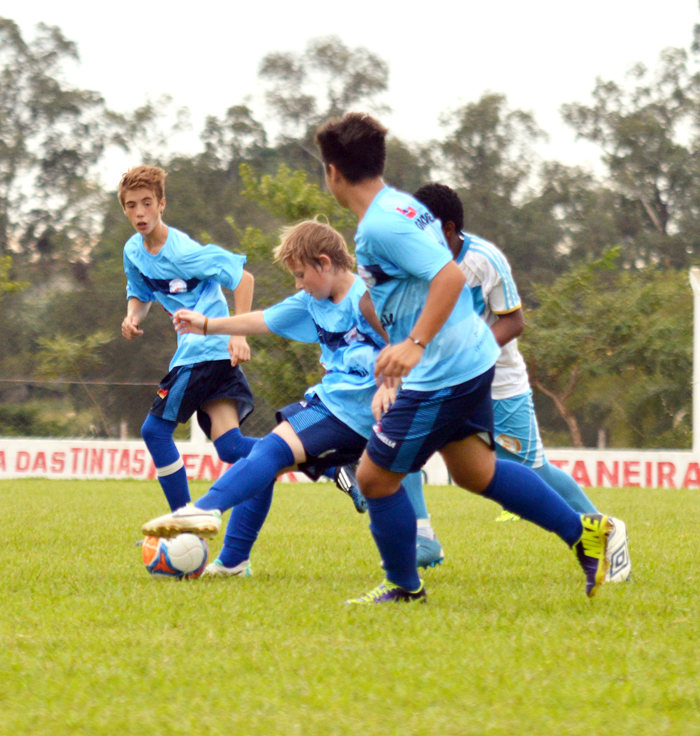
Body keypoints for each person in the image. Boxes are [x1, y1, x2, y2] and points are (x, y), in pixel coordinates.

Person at [315, 112, 617, 603]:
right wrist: (399, 346)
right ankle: (584, 534)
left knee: (372, 478)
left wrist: (413, 345)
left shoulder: (380, 227)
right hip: (471, 357)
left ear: (332, 173)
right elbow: (409, 290)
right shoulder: (406, 209)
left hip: (444, 370)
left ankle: (404, 587)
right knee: (475, 472)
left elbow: (450, 278)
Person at [140, 219, 394, 577]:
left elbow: (405, 342)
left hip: (349, 410)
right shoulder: (312, 302)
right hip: (339, 408)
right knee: (264, 459)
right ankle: (232, 560)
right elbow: (262, 320)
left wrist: (389, 384)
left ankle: (208, 508)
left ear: (324, 262)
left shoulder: (369, 298)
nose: (298, 285)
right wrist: (209, 325)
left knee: (268, 452)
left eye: (301, 274)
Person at [411, 183, 631, 583]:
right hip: (440, 380)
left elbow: (514, 321)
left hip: (499, 383)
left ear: (447, 229)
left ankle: (602, 531)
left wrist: (473, 353)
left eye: (422, 226)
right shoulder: (416, 260)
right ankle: (421, 538)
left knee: (528, 468)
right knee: (396, 444)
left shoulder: (484, 260)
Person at [120, 165, 259, 515]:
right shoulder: (133, 252)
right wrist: (132, 316)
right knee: (230, 448)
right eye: (132, 205)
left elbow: (244, 280)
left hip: (205, 351)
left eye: (147, 203)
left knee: (154, 432)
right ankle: (324, 461)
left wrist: (238, 332)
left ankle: (185, 521)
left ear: (162, 204)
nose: (140, 213)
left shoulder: (184, 253)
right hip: (203, 355)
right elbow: (140, 293)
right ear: (124, 209)